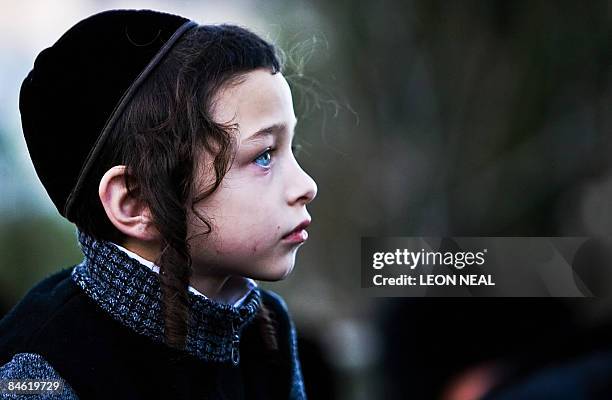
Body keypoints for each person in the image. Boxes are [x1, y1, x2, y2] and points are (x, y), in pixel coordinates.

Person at [0, 8, 317, 399]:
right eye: (264, 155)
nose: (307, 185)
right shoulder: (41, 368)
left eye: (292, 148)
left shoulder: (265, 329)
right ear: (137, 202)